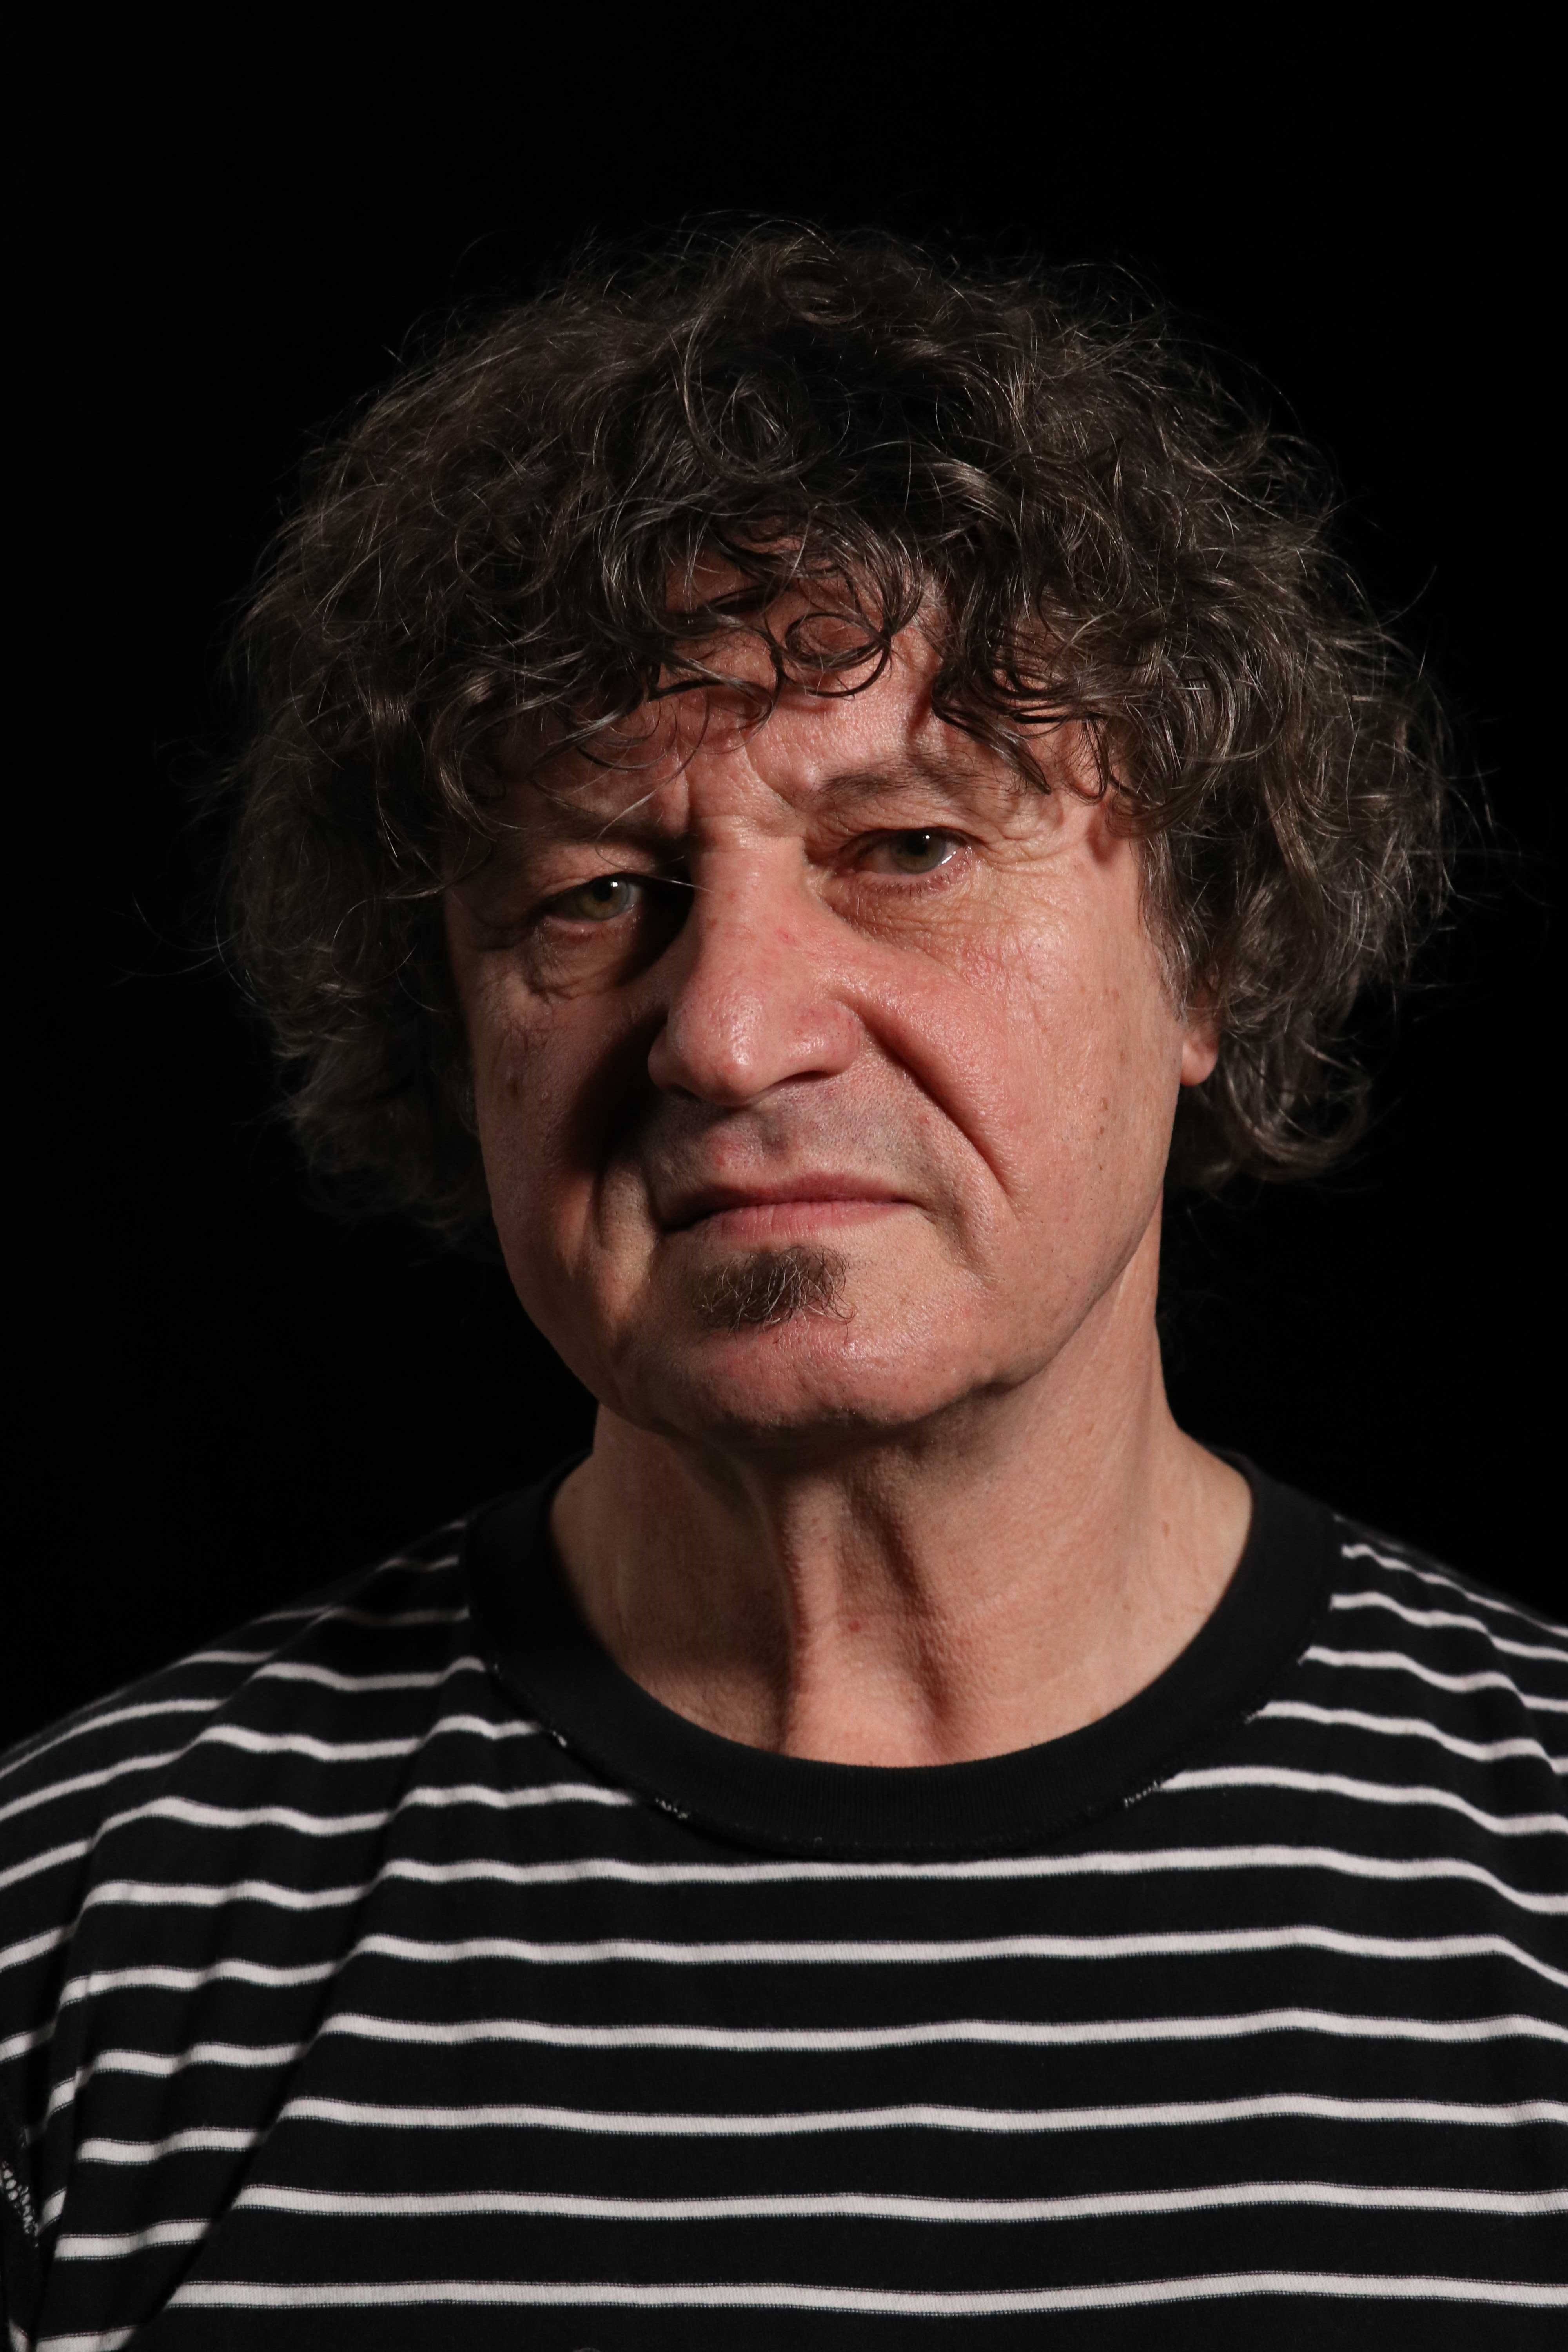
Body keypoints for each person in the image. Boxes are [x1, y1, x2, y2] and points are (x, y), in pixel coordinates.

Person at [2, 230, 1562, 2350]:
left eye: (906, 847)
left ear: (1209, 949)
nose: (730, 1035)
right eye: (595, 895)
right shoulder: (78, 1941)